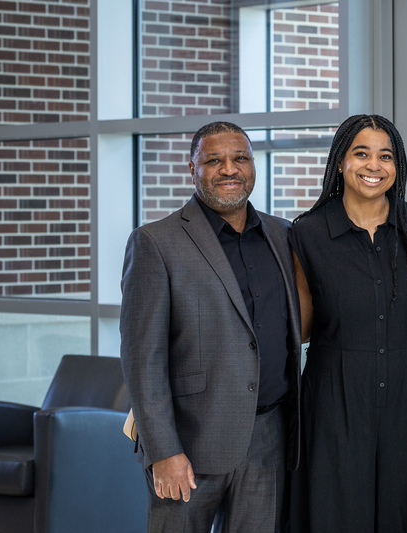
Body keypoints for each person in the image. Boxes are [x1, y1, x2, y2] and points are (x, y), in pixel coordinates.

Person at [120, 121, 301, 533]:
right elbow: (141, 357)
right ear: (192, 168)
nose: (228, 169)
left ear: (253, 165)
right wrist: (163, 452)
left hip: (270, 437)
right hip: (190, 444)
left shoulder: (282, 234)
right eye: (213, 160)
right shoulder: (155, 242)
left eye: (240, 158)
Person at [290, 114, 407, 533]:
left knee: (405, 512)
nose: (374, 165)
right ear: (341, 161)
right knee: (336, 511)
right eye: (361, 153)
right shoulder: (307, 233)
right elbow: (301, 328)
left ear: (398, 166)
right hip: (333, 401)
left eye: (385, 155)